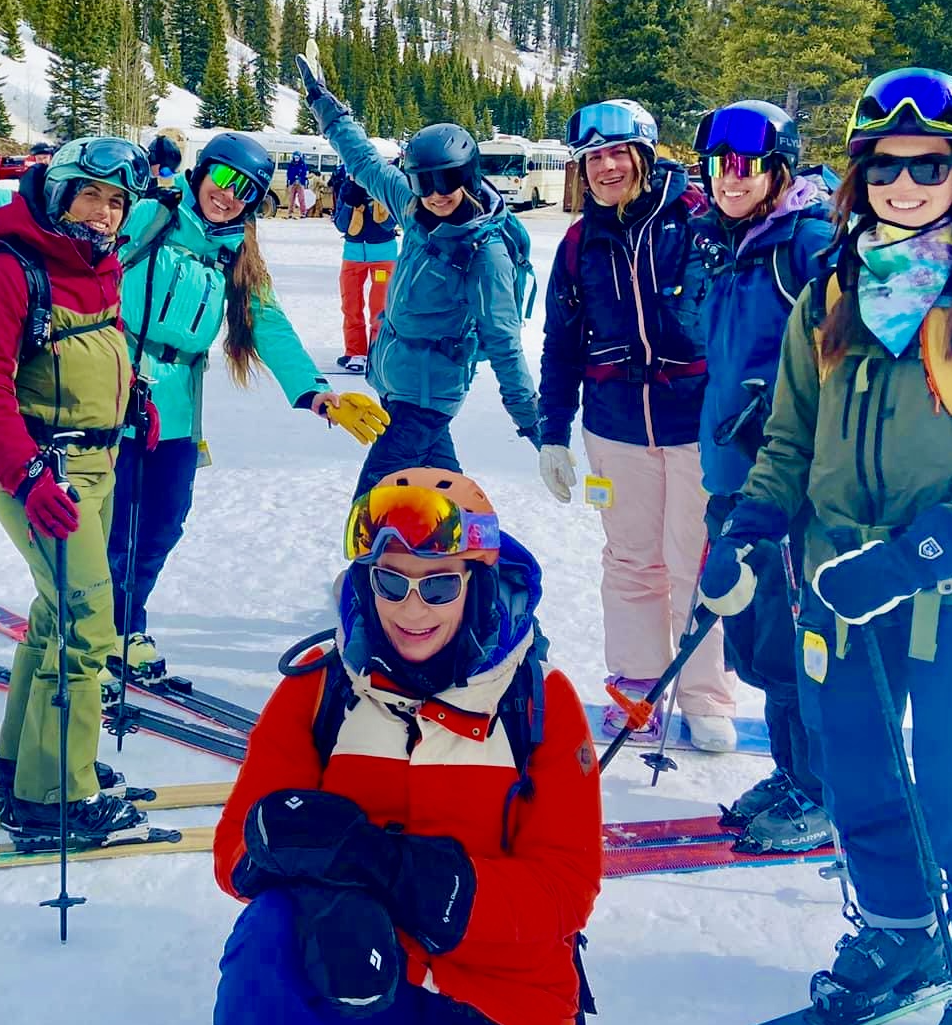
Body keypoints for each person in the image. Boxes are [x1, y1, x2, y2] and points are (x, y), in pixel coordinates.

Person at [698, 68, 952, 1025]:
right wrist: (747, 527)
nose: (904, 184)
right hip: (836, 589)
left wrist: (914, 558)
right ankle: (902, 931)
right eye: (885, 166)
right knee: (858, 777)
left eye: (928, 166)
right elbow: (789, 436)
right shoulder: (832, 294)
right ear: (857, 177)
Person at [187, 471, 601, 1025]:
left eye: (439, 586)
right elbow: (235, 848)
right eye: (390, 583)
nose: (412, 609)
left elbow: (565, 889)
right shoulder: (320, 690)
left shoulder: (540, 703)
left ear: (479, 583)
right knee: (267, 936)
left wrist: (393, 868)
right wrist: (313, 876)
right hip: (351, 956)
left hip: (502, 989)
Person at [0, 135, 157, 840]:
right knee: (88, 625)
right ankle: (57, 797)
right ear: (59, 193)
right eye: (91, 195)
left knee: (55, 617)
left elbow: (96, 342)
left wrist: (131, 394)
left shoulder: (96, 265)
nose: (104, 212)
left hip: (94, 467)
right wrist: (28, 475)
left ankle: (27, 764)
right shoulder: (7, 271)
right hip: (43, 475)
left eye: (116, 202)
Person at [536, 99, 736, 752]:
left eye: (617, 153)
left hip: (695, 426)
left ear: (645, 156)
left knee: (693, 563)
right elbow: (561, 345)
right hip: (615, 429)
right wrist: (551, 433)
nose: (605, 167)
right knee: (630, 562)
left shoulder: (701, 221)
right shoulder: (579, 245)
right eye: (592, 158)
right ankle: (636, 687)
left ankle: (705, 697)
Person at [109, 131, 343, 680]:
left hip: (176, 410)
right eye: (223, 177)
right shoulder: (151, 217)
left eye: (247, 190)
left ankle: (125, 622)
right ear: (202, 171)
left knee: (163, 525)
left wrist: (312, 389)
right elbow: (70, 214)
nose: (230, 194)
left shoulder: (235, 254)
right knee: (112, 526)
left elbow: (269, 324)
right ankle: (101, 627)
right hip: (114, 388)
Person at [691, 100, 837, 851]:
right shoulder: (729, 244)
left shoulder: (807, 245)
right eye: (720, 165)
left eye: (747, 165)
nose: (730, 178)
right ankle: (791, 770)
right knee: (757, 645)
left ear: (781, 170)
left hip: (788, 487)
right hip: (732, 478)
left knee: (797, 646)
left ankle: (823, 788)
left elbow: (844, 365)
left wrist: (772, 407)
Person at [295, 51, 540, 495]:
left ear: (468, 176)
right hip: (396, 385)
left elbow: (505, 345)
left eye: (447, 180)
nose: (436, 194)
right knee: (446, 496)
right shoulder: (413, 211)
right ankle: (475, 541)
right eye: (424, 182)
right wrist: (324, 105)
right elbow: (365, 163)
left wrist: (537, 428)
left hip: (425, 400)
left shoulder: (485, 255)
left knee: (373, 505)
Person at [329, 164, 398, 375]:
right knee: (351, 304)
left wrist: (378, 198)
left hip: (382, 257)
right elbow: (341, 225)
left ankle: (377, 352)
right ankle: (355, 352)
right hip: (353, 256)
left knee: (380, 306)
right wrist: (351, 202)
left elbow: (390, 223)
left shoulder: (385, 188)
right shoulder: (347, 187)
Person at [285, 151, 312, 218]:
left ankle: (303, 213)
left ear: (300, 157)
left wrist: (300, 179)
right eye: (295, 157)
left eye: (298, 157)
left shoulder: (303, 164)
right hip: (292, 182)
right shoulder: (291, 164)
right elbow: (288, 173)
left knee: (301, 198)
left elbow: (304, 173)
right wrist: (289, 180)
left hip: (300, 183)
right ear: (293, 157)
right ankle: (290, 213)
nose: (296, 159)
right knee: (291, 199)